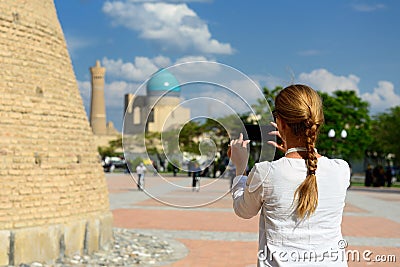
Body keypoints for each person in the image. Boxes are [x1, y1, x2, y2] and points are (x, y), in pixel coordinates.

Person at [230, 84, 350, 266]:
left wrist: (240, 169)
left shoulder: (266, 172)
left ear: (280, 123)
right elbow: (304, 168)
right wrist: (293, 149)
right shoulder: (341, 169)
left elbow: (243, 210)